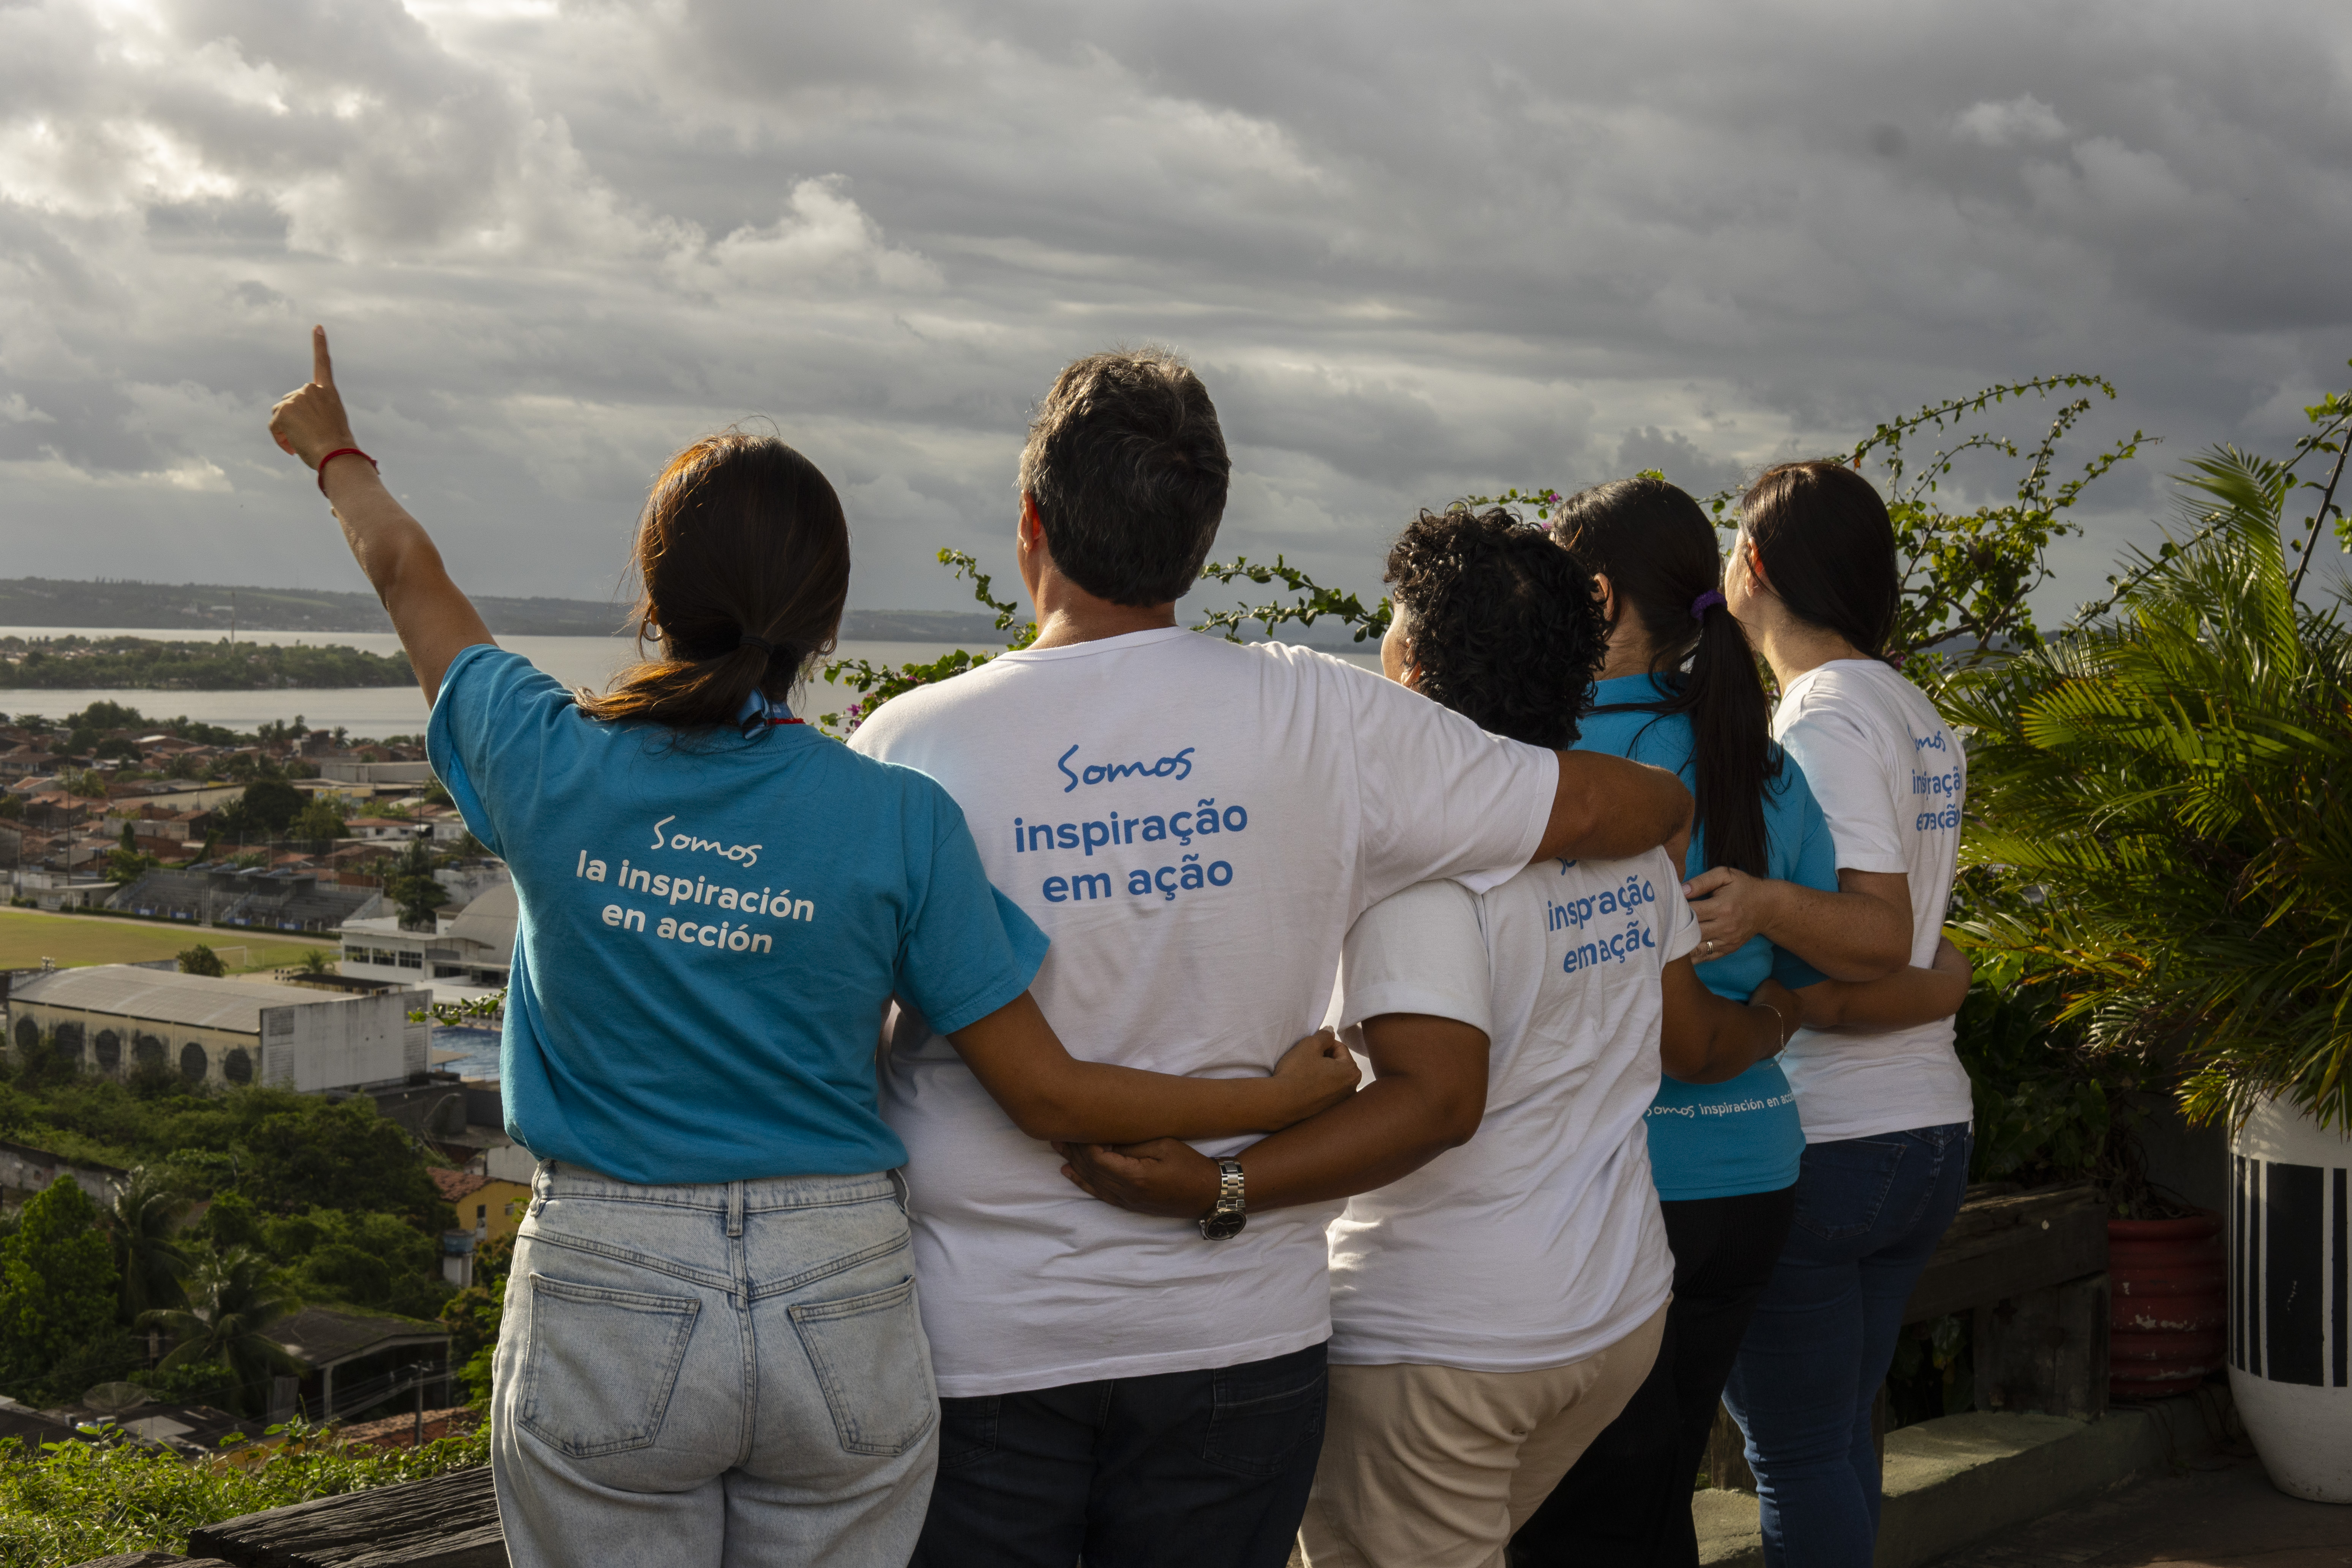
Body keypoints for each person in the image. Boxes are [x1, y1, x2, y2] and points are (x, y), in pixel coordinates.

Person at [264, 328, 1361, 1568]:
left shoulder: (546, 763)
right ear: (826, 622)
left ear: (654, 591)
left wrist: (334, 451)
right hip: (839, 1289)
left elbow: (406, 571)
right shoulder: (895, 816)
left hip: (612, 1274)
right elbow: (1048, 1093)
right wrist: (1264, 1101)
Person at [846, 349, 1694, 1568]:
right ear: (1204, 535)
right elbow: (1602, 805)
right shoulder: (1325, 716)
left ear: (1030, 525)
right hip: (1239, 1338)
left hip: (988, 1336)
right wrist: (1669, 815)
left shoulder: (909, 742)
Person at [1259, 506, 1793, 1568]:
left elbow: (1434, 1106)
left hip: (1444, 1339)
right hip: (1610, 1314)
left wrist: (1222, 1180)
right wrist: (1780, 1014)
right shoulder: (1629, 843)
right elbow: (1689, 1035)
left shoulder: (1417, 865)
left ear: (1410, 677)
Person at [1514, 476, 1970, 1566]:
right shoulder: (1778, 748)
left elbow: (1871, 934)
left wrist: (1767, 953)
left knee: (1627, 1501)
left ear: (1599, 596)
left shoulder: (1559, 757)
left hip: (1647, 1175)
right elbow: (1899, 942)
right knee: (1708, 1472)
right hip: (1772, 1160)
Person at [1714, 460, 1976, 1568]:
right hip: (1925, 1129)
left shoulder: (1821, 715)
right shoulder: (1914, 710)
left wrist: (1764, 908)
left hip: (1834, 1140)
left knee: (1799, 1456)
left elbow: (1877, 927)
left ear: (1758, 566)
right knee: (1836, 1439)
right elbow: (1924, 951)